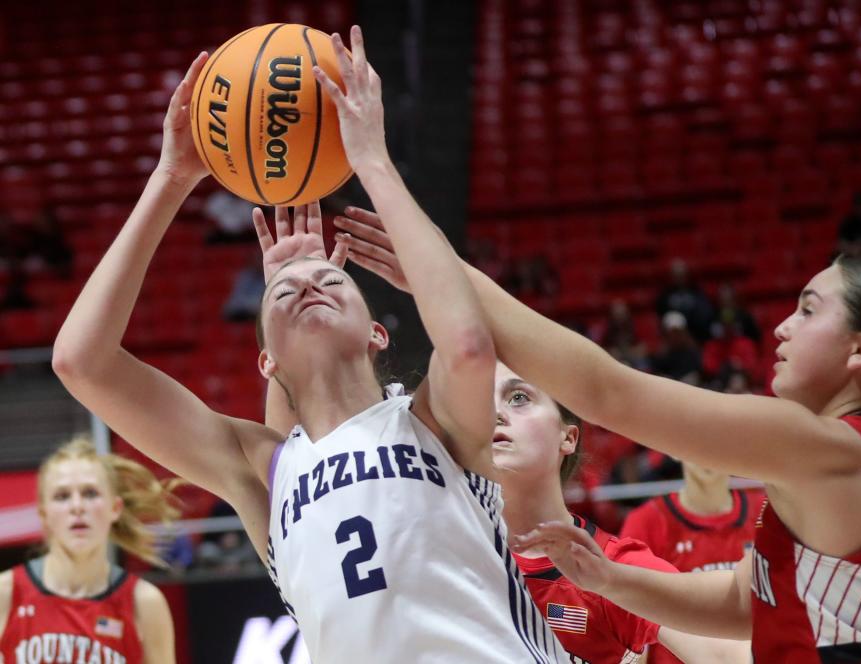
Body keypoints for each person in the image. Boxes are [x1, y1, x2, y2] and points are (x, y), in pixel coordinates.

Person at [52, 27, 565, 663]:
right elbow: (81, 362)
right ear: (265, 357)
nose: (307, 285)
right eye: (280, 292)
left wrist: (373, 161)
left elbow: (465, 346)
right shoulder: (261, 469)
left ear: (378, 333)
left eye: (330, 278)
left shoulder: (433, 417)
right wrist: (171, 178)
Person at [332, 208, 861, 661]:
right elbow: (746, 602)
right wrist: (611, 582)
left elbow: (609, 393)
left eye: (809, 309)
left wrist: (448, 278)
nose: (781, 330)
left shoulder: (830, 449)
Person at [492, 362, 750, 663]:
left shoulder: (616, 566)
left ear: (568, 437)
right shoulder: (443, 550)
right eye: (477, 404)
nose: (493, 414)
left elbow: (732, 656)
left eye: (519, 397)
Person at [0, 437, 178, 664]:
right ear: (44, 514)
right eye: (62, 496)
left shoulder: (144, 602)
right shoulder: (6, 594)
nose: (77, 506)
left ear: (115, 508)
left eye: (90, 493)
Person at [619, 462, 765, 664]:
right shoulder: (647, 522)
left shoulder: (764, 513)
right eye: (701, 439)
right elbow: (630, 620)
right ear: (674, 449)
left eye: (718, 441)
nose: (706, 453)